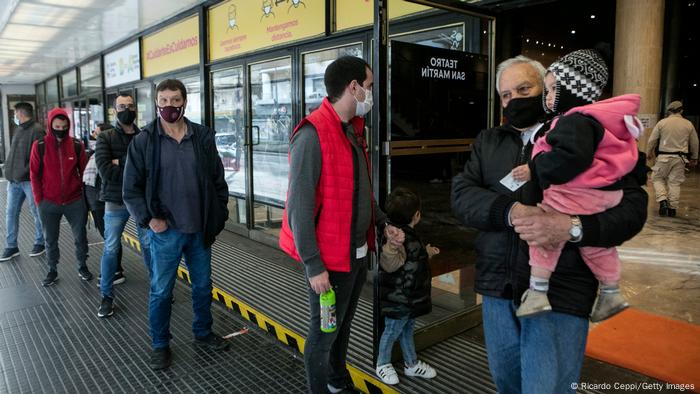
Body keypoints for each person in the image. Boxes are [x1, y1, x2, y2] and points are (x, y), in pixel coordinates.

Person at [451, 55, 648, 394]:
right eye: (506, 94)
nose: (514, 100)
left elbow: (632, 209)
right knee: (507, 384)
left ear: (548, 89)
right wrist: (510, 211)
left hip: (561, 291)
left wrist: (571, 226)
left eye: (524, 89)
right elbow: (462, 195)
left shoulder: (589, 132)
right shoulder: (489, 140)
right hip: (498, 289)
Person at [278, 56, 403, 394]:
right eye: (370, 87)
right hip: (329, 263)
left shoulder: (352, 132)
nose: (372, 94)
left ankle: (336, 380)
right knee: (323, 333)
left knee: (343, 325)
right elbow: (298, 210)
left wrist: (382, 223)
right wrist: (314, 266)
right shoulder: (312, 135)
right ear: (354, 88)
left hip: (355, 256)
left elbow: (360, 191)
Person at [511, 49, 640, 322]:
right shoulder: (595, 120)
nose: (547, 97)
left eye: (552, 89)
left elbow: (571, 157)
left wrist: (535, 169)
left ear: (572, 89)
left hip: (577, 193)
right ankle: (611, 290)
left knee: (544, 233)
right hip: (601, 194)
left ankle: (537, 292)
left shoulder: (574, 121)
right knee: (596, 246)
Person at [123, 79, 229, 370]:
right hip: (165, 232)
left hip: (199, 231)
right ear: (156, 103)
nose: (169, 106)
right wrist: (149, 219)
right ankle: (160, 344)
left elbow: (218, 181)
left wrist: (219, 216)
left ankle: (203, 332)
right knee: (161, 291)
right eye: (163, 100)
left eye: (174, 100)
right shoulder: (145, 141)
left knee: (203, 287)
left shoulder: (203, 137)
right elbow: (130, 189)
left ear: (185, 102)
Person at [95, 93, 151, 318]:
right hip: (115, 200)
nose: (126, 109)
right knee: (110, 248)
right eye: (121, 106)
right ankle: (106, 296)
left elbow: (151, 168)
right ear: (114, 110)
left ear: (136, 109)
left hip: (140, 201)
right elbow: (105, 170)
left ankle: (159, 290)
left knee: (148, 247)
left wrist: (120, 161)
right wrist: (133, 164)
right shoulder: (105, 137)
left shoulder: (145, 136)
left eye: (130, 106)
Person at [375, 187, 438, 385]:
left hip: (409, 298)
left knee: (406, 330)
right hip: (399, 298)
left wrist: (426, 252)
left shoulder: (409, 235)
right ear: (416, 215)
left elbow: (411, 258)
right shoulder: (397, 237)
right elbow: (389, 263)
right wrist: (392, 247)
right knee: (392, 330)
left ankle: (411, 364)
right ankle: (382, 364)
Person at [30, 108, 91, 286]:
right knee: (50, 239)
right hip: (48, 202)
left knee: (80, 236)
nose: (61, 130)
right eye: (57, 126)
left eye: (64, 126)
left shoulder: (76, 145)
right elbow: (34, 174)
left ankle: (82, 266)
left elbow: (85, 172)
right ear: (50, 125)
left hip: (74, 201)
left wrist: (83, 198)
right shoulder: (39, 146)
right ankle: (52, 269)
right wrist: (39, 199)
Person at [1, 102, 45, 261]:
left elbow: (40, 157)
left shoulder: (38, 130)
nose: (14, 116)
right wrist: (8, 170)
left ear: (20, 113)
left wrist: (23, 171)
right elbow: (14, 153)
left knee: (37, 212)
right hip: (14, 181)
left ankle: (41, 242)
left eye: (15, 113)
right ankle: (11, 246)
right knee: (11, 213)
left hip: (29, 180)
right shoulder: (19, 129)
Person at [83, 123, 125, 288]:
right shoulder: (95, 153)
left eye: (97, 133)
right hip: (97, 200)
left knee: (110, 239)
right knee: (109, 238)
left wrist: (118, 162)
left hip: (104, 200)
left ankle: (116, 271)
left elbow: (106, 172)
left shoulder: (104, 150)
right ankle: (114, 273)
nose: (93, 134)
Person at [646, 100, 699, 217]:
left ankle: (663, 201)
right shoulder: (688, 124)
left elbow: (652, 140)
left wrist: (649, 152)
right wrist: (694, 157)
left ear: (669, 111)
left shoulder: (662, 123)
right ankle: (672, 208)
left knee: (657, 178)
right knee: (674, 183)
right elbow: (694, 142)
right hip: (680, 158)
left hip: (664, 156)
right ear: (681, 111)